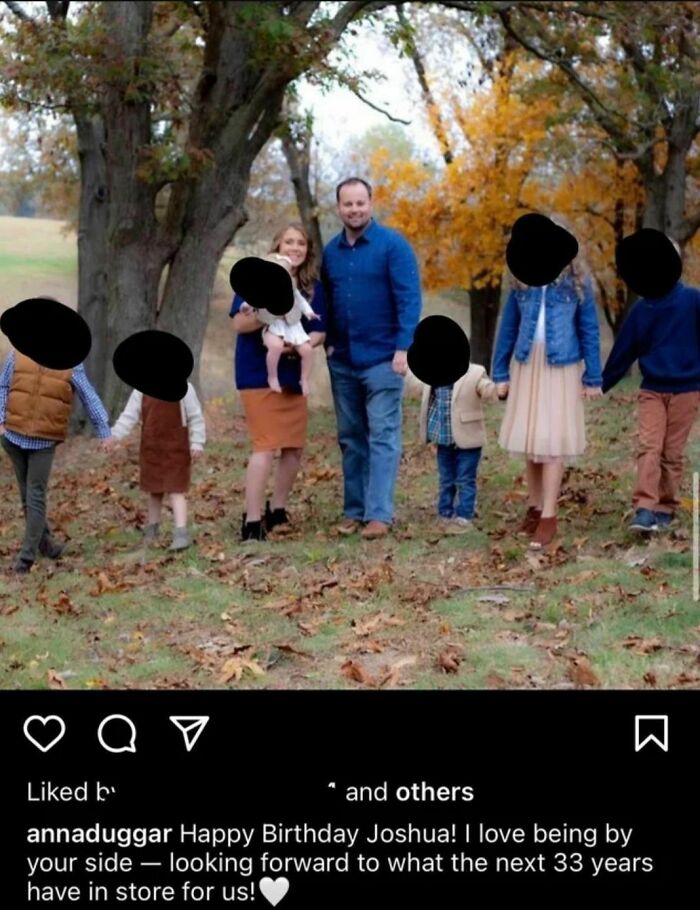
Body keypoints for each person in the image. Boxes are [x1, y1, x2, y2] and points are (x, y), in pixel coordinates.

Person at [322, 177, 421, 540]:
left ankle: (379, 514)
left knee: (382, 435)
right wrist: (328, 342)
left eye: (360, 203)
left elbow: (409, 298)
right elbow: (325, 301)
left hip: (384, 358)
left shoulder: (393, 246)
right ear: (339, 208)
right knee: (351, 437)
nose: (354, 210)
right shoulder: (331, 252)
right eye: (348, 204)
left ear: (371, 203)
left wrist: (403, 347)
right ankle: (354, 510)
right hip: (342, 359)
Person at [492, 254, 602, 549]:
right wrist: (500, 372)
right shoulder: (521, 282)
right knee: (531, 441)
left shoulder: (576, 283)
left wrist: (593, 377)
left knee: (552, 442)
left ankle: (549, 516)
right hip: (527, 365)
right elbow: (508, 328)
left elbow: (589, 329)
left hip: (561, 366)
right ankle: (535, 505)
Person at [230, 223, 327, 542]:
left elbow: (319, 331)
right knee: (265, 445)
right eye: (289, 242)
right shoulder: (257, 277)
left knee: (293, 448)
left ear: (307, 250)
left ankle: (278, 509)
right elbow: (239, 323)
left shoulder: (312, 287)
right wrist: (272, 309)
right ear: (278, 246)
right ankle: (252, 520)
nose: (295, 248)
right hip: (258, 374)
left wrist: (300, 345)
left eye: (301, 243)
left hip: (294, 375)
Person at [602, 232, 700, 532]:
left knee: (672, 453)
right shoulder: (642, 310)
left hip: (687, 390)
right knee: (649, 446)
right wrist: (599, 384)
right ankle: (644, 508)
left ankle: (665, 507)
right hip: (653, 390)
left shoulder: (693, 300)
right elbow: (623, 352)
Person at [0, 348, 112, 573]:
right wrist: (0, 421)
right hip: (13, 436)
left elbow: (88, 395)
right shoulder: (18, 354)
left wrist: (103, 429)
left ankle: (26, 558)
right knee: (27, 495)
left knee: (34, 495)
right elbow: (3, 386)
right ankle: (46, 545)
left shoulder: (71, 364)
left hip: (43, 441)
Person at [110, 383, 206, 550]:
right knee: (154, 490)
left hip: (176, 447)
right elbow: (129, 415)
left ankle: (181, 532)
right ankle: (152, 529)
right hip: (151, 447)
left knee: (176, 489)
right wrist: (114, 435)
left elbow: (195, 416)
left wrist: (197, 442)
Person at [418, 362, 499, 533]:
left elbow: (485, 387)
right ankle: (445, 511)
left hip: (468, 438)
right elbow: (415, 383)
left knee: (465, 478)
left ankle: (464, 514)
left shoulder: (475, 372)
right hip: (444, 437)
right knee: (446, 478)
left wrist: (497, 389)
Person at [239, 253, 320, 396]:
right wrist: (246, 307)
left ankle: (304, 378)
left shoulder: (292, 290)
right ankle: (272, 376)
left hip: (293, 326)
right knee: (275, 346)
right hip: (274, 326)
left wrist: (309, 312)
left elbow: (301, 302)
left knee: (307, 350)